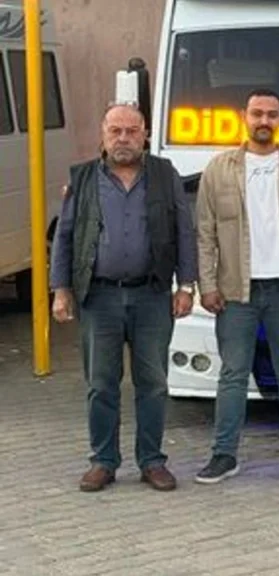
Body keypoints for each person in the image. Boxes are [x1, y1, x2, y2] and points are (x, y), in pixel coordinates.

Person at [50, 103, 198, 492]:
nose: (123, 139)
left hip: (152, 296)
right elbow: (65, 236)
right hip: (99, 298)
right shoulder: (83, 178)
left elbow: (184, 230)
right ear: (103, 135)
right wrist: (61, 290)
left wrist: (186, 285)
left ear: (144, 135)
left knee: (153, 383)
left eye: (131, 131)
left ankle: (152, 461)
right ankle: (103, 461)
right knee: (101, 384)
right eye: (115, 131)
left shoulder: (164, 175)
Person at [193, 89, 279, 485]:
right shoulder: (218, 169)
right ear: (245, 117)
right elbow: (205, 233)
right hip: (235, 292)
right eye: (257, 113)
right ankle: (224, 455)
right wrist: (207, 284)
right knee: (232, 376)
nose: (264, 121)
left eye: (271, 114)